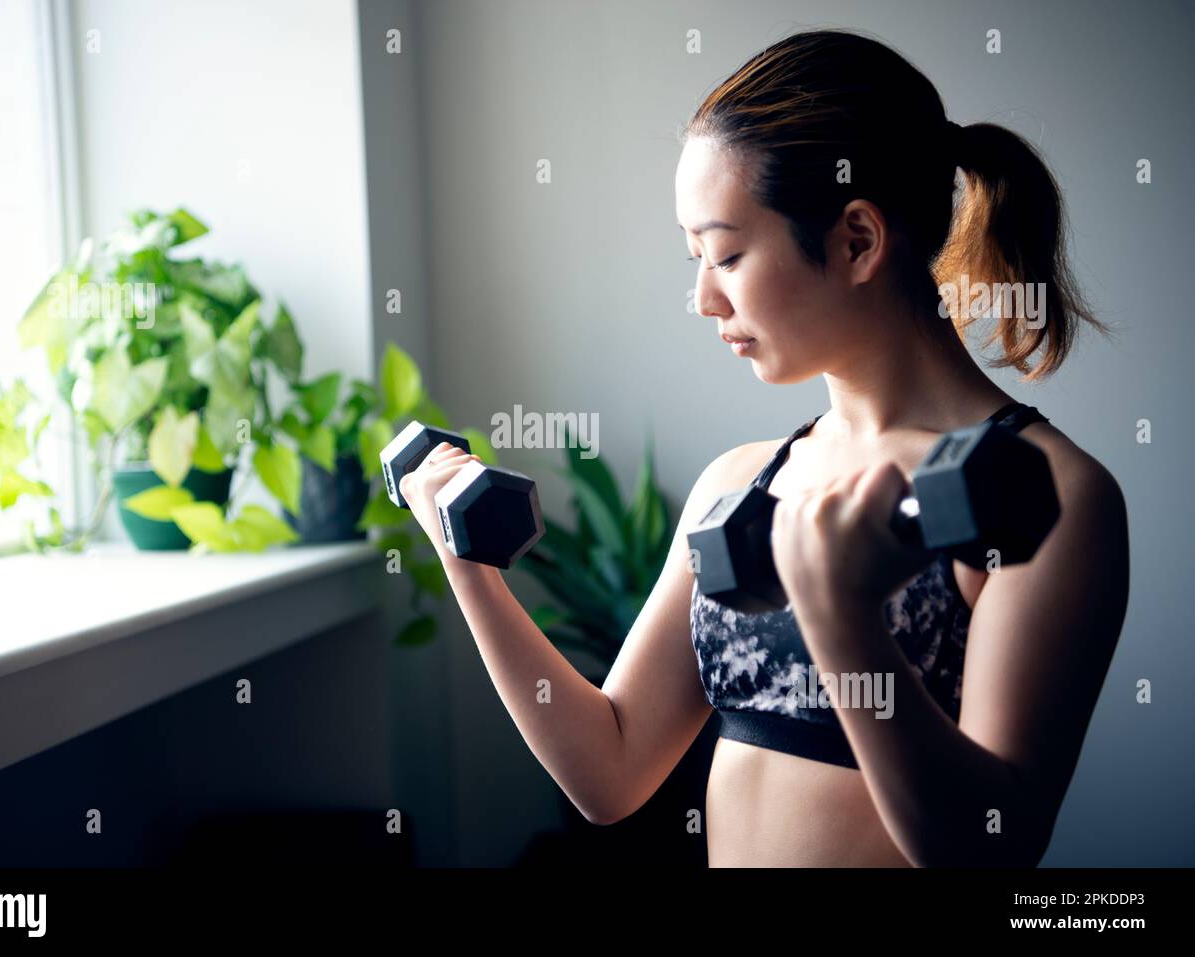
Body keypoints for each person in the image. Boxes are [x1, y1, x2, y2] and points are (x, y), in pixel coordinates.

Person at [399, 29, 1130, 867]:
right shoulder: (740, 484)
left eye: (729, 255)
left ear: (857, 240)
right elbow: (611, 769)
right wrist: (466, 562)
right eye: (696, 259)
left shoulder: (1046, 494)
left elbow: (989, 847)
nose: (703, 298)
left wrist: (844, 618)